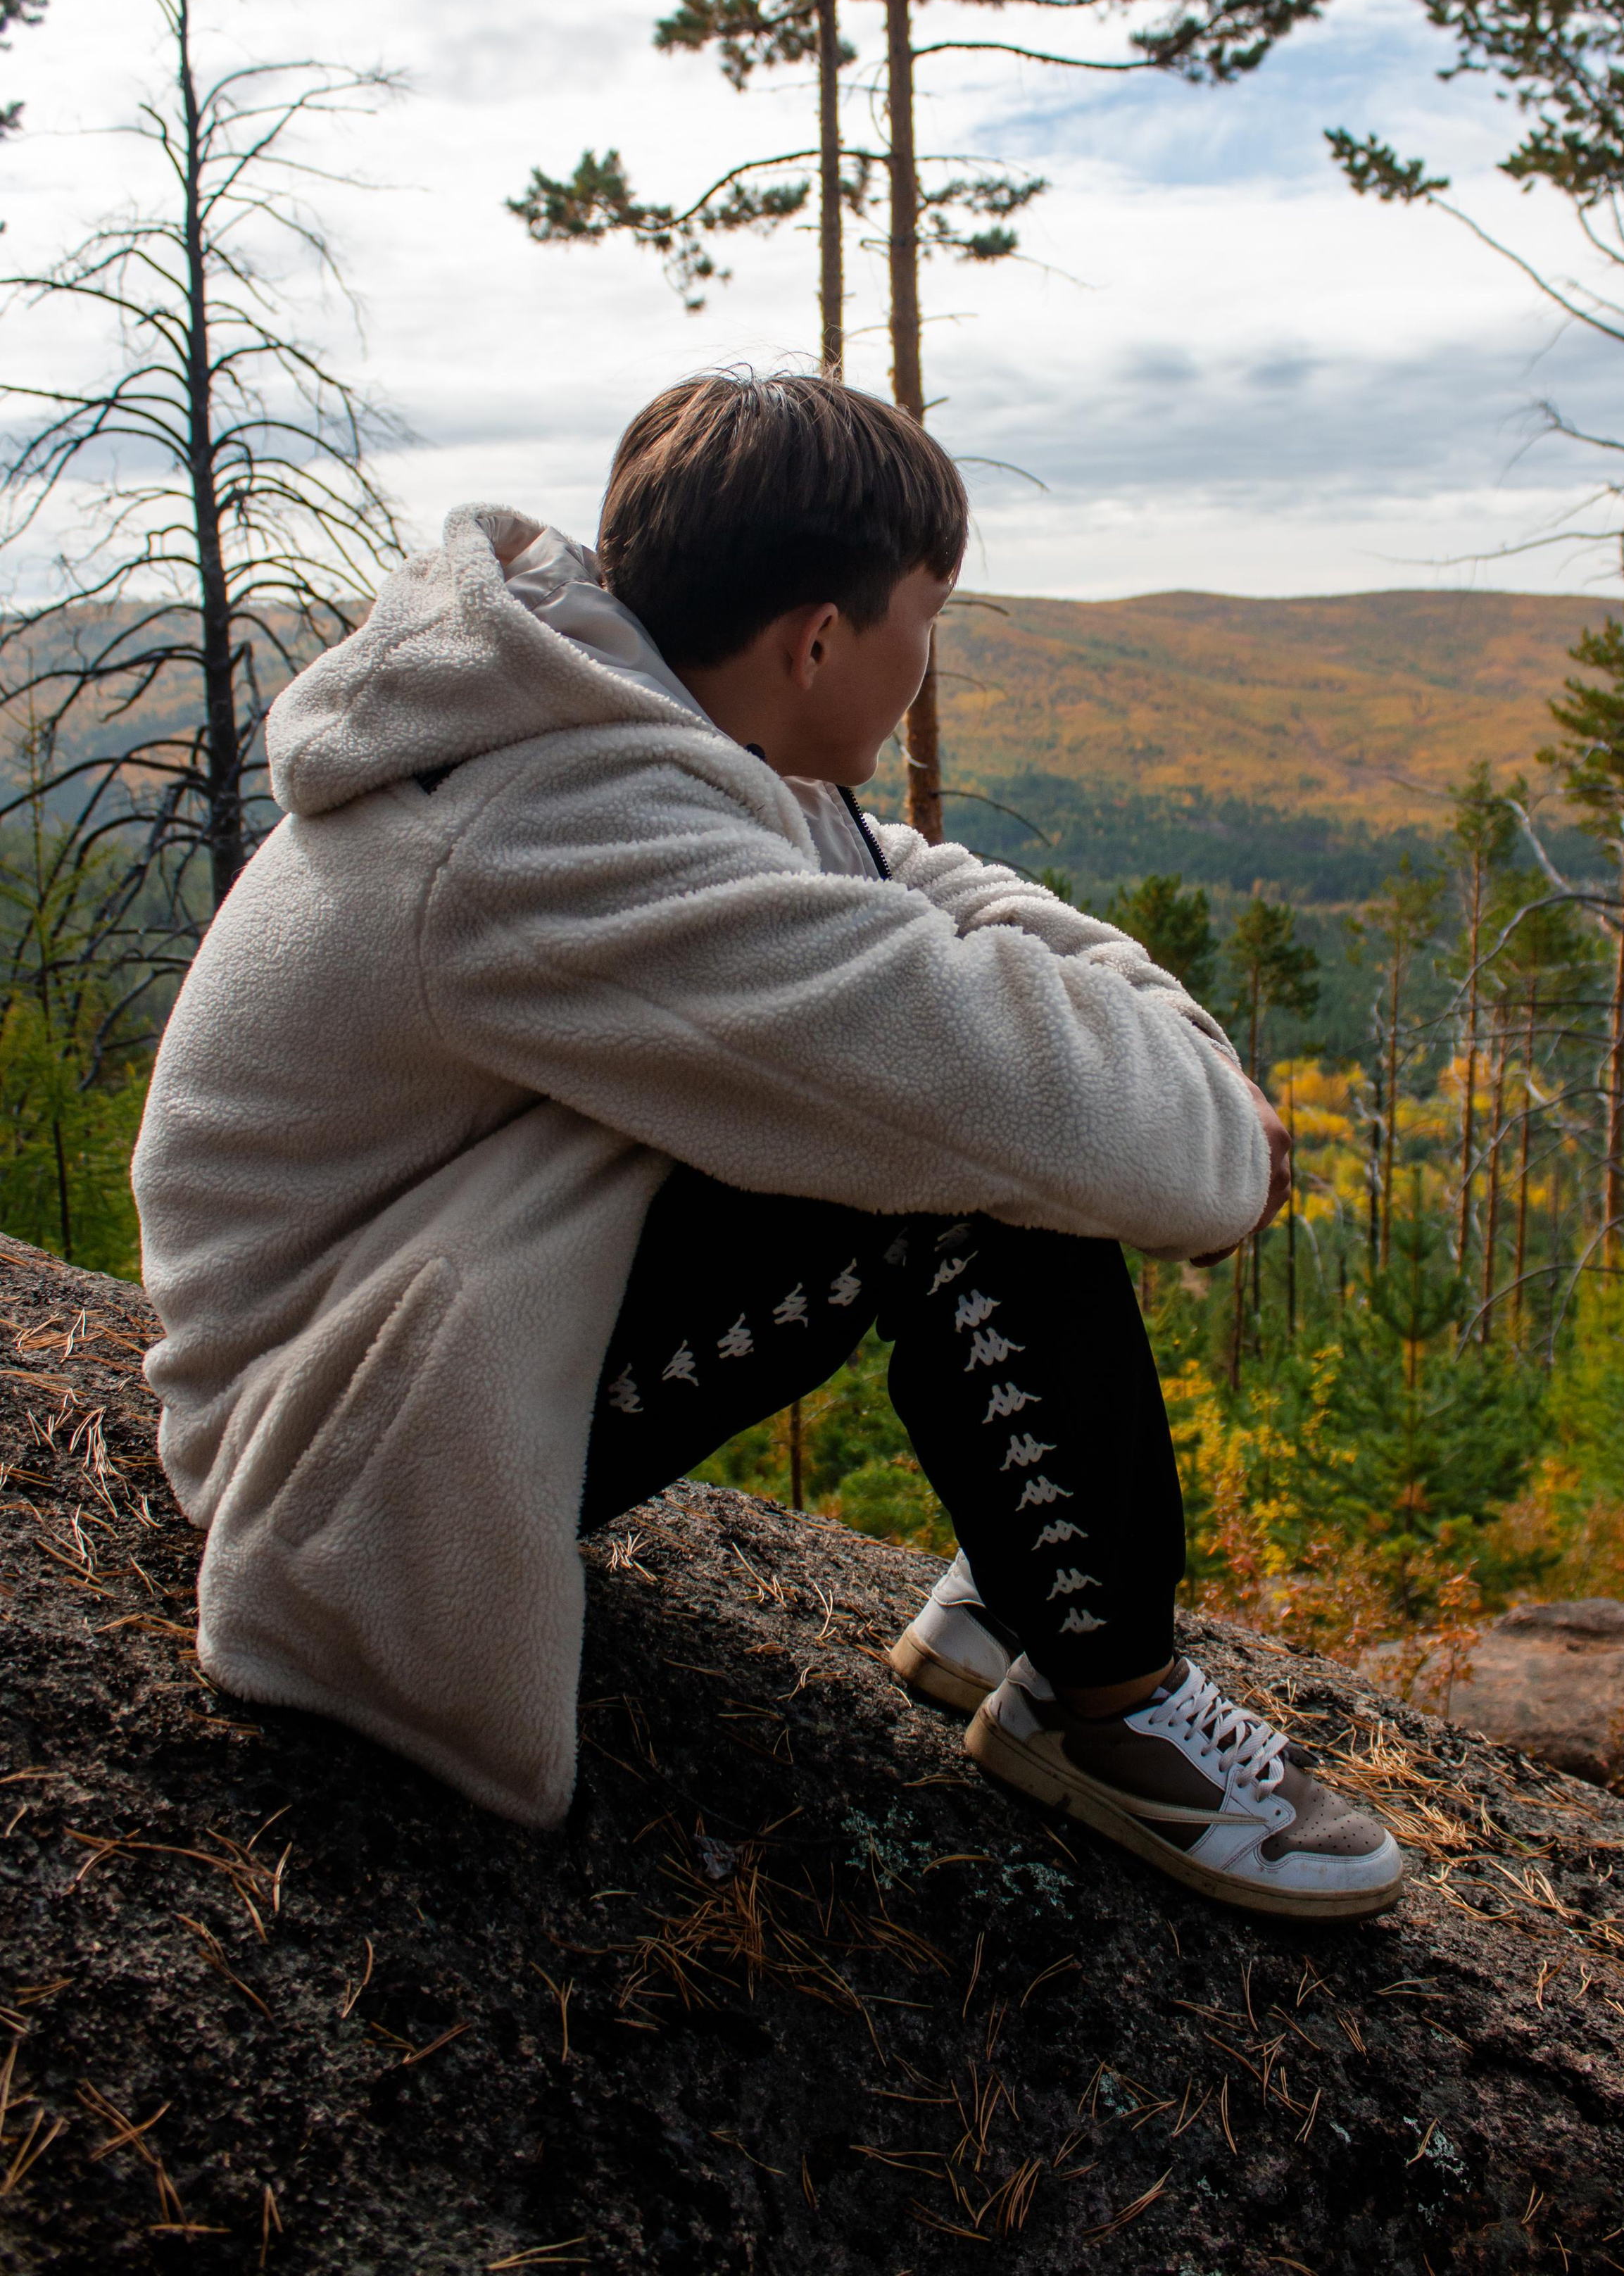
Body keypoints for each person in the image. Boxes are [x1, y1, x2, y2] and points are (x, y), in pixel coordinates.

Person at [134, 371, 1402, 1920]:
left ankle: (1026, 1601)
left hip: (399, 1305)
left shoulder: (613, 709)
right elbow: (993, 1075)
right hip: (328, 1449)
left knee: (983, 1102)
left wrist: (1183, 1051)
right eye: (922, 620)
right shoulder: (554, 832)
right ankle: (1115, 1703)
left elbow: (927, 886)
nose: (923, 668)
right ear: (818, 639)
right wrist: (1225, 1143)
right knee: (961, 1170)